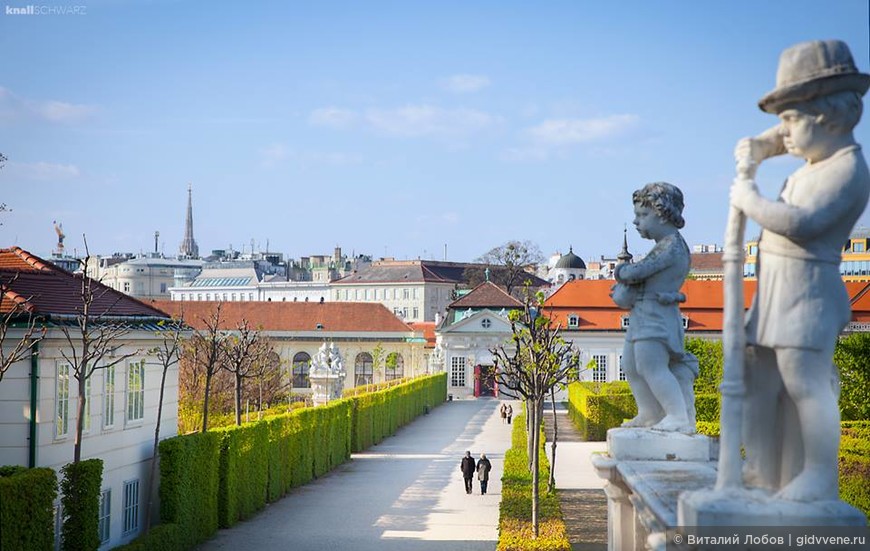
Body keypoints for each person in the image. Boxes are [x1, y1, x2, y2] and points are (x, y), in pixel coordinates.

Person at [730, 40, 870, 502]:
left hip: (808, 292)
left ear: (827, 115)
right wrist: (763, 146)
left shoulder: (848, 169)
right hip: (777, 289)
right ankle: (763, 469)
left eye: (789, 119)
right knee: (761, 380)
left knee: (806, 384)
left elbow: (802, 224)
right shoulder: (818, 157)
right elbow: (786, 140)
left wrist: (750, 199)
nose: (781, 133)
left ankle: (818, 474)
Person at [613, 182, 695, 433]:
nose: (637, 222)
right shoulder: (663, 246)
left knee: (651, 366)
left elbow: (636, 271)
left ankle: (677, 416)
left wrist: (620, 271)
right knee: (630, 365)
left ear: (661, 213)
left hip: (656, 316)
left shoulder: (670, 247)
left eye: (642, 215)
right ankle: (649, 413)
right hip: (642, 314)